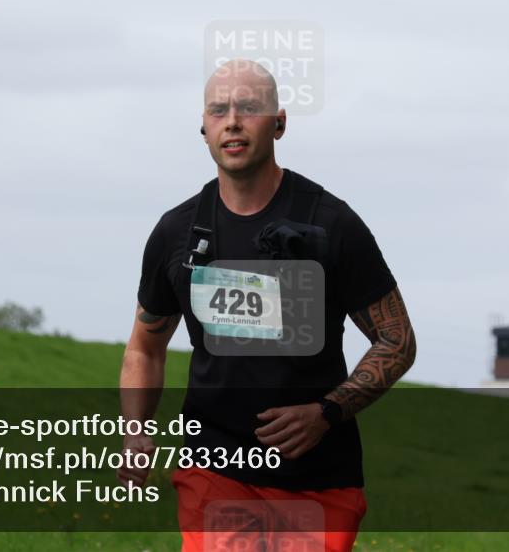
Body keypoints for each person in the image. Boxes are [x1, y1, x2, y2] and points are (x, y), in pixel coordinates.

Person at [118, 59, 417, 552]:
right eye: (219, 111)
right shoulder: (177, 232)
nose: (232, 120)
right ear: (204, 128)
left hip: (320, 477)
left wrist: (327, 412)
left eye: (248, 108)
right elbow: (145, 346)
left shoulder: (331, 225)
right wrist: (135, 433)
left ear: (279, 123)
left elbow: (397, 340)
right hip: (213, 465)